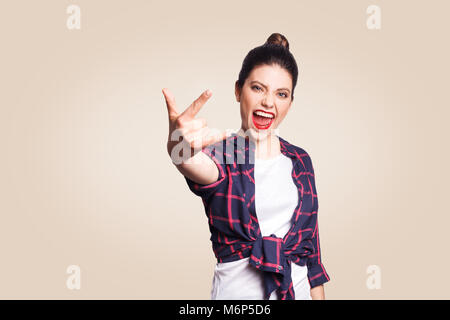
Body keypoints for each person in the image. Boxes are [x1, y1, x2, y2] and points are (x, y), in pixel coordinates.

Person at [163, 33, 330, 300]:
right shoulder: (223, 154)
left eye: (281, 94)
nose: (268, 102)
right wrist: (177, 143)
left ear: (290, 102)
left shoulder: (301, 161)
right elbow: (187, 159)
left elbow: (311, 256)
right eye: (258, 88)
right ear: (238, 90)